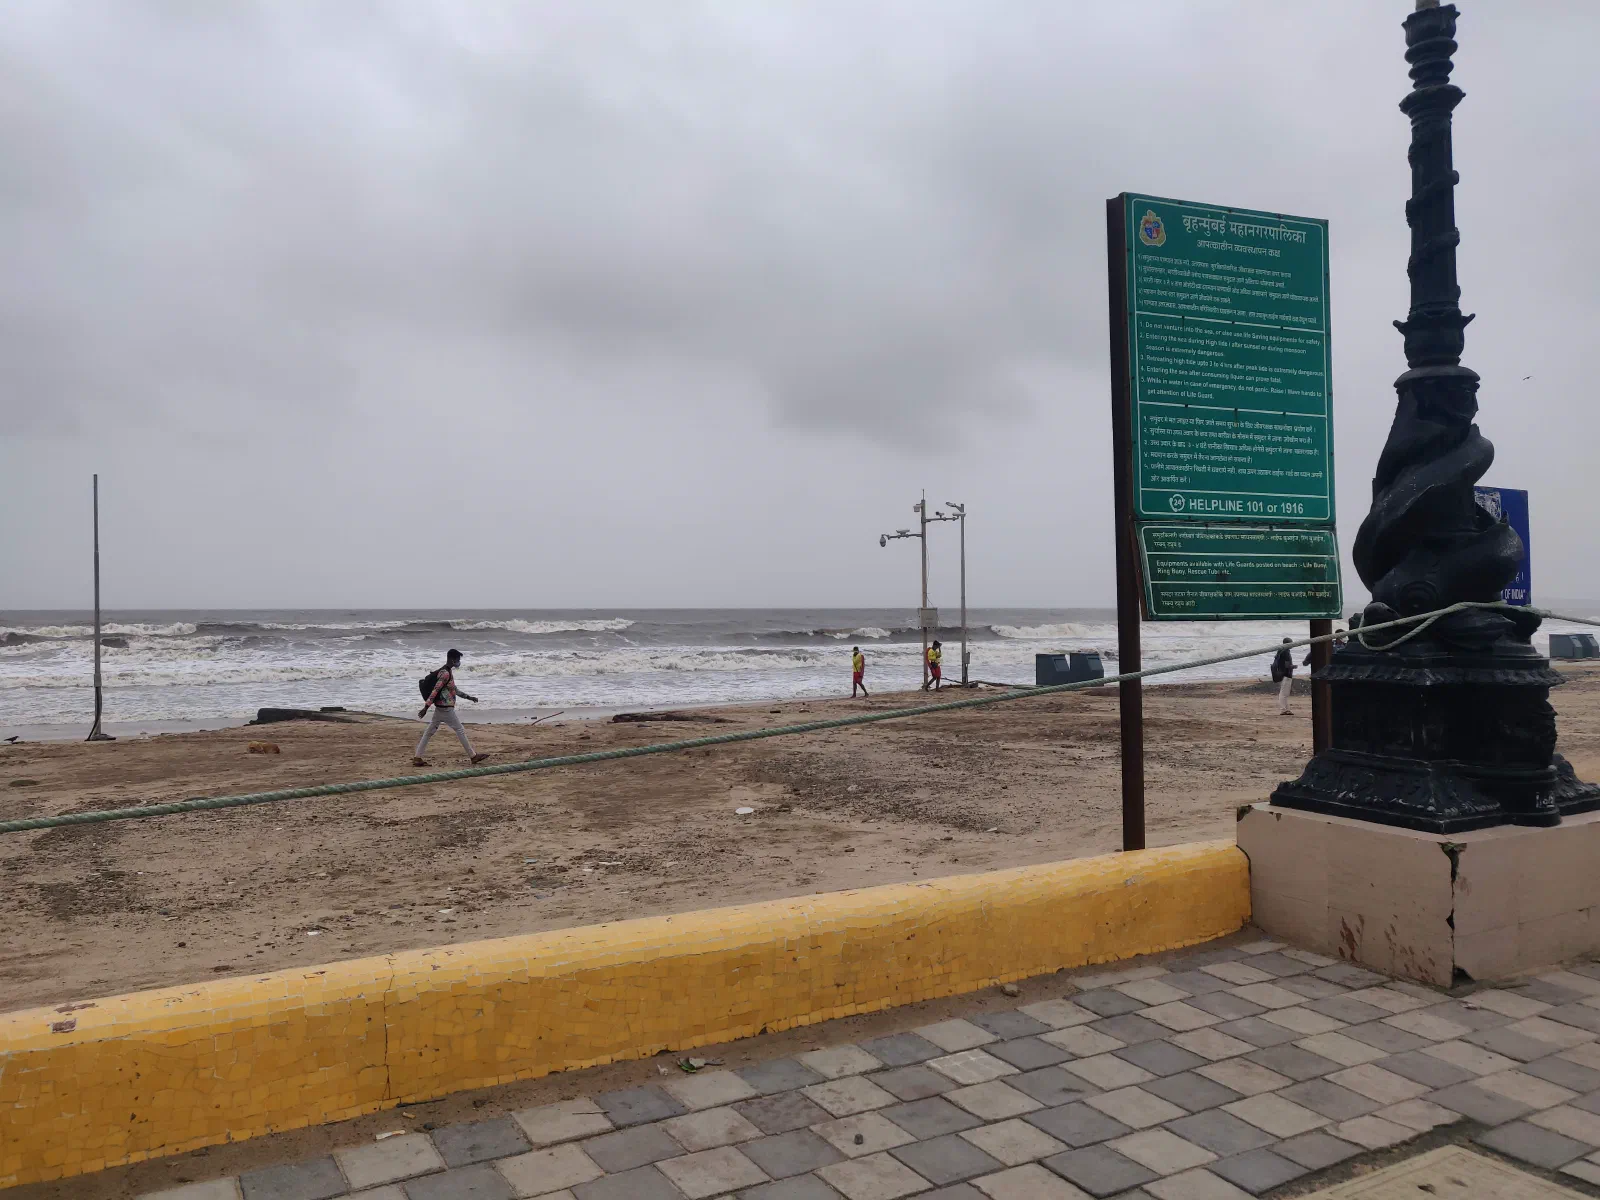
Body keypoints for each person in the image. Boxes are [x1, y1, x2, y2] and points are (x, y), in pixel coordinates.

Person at [414, 649, 490, 766]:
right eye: (458, 659)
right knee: (460, 729)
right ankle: (473, 756)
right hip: (445, 709)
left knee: (429, 732)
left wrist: (469, 697)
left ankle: (417, 757)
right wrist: (426, 707)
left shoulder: (447, 672)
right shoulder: (445, 673)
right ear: (452, 659)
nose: (459, 662)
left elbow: (454, 690)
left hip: (440, 709)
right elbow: (435, 690)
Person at [1271, 637, 1296, 716]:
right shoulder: (1286, 652)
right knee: (1284, 693)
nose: (1292, 644)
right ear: (1287, 643)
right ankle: (1283, 709)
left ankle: (1286, 709)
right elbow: (1287, 665)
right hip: (1286, 675)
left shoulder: (1280, 651)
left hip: (1281, 674)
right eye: (1291, 643)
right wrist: (1294, 666)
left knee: (1284, 693)